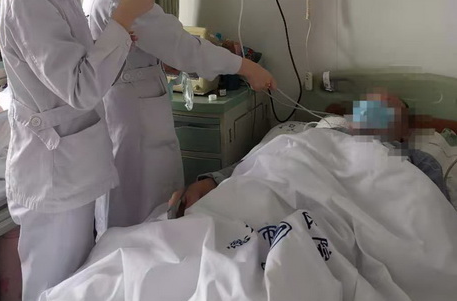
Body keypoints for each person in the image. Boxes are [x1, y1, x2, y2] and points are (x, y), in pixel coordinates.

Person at [0, 0, 158, 301]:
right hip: (53, 174)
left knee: (74, 297)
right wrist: (120, 21)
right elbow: (81, 87)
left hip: (73, 163)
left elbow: (79, 65)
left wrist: (116, 38)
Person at [83, 0, 277, 228]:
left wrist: (161, 62)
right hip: (134, 118)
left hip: (127, 107)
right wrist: (247, 68)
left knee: (131, 208)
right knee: (143, 211)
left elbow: (138, 47)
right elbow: (184, 47)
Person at [170, 92, 450, 216]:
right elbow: (265, 162)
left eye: (389, 109)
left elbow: (434, 215)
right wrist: (211, 181)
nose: (376, 112)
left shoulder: (416, 160)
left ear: (402, 131)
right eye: (369, 106)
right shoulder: (312, 136)